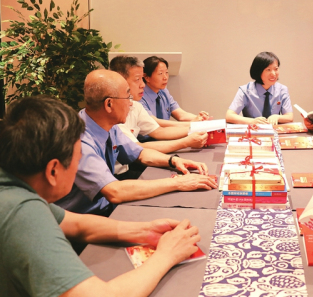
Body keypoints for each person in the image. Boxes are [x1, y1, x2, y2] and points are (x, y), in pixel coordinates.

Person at [0, 95, 203, 297]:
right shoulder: (21, 216)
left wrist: (146, 230)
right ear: (53, 170)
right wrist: (166, 255)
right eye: (77, 159)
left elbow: (78, 225)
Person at [54, 69, 217, 217]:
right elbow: (114, 192)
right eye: (127, 97)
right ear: (109, 104)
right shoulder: (80, 140)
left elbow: (140, 153)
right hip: (84, 218)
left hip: (106, 207)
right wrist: (177, 182)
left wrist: (173, 160)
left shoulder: (107, 124)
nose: (131, 103)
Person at [109, 55, 208, 158]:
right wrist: (186, 141)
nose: (142, 85)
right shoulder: (113, 112)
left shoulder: (137, 105)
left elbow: (159, 131)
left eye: (166, 72)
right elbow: (137, 148)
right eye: (137, 79)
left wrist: (198, 126)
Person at [225, 51, 293, 125]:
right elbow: (229, 116)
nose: (273, 74)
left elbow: (289, 116)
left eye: (276, 69)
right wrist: (252, 121)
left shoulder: (282, 90)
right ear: (258, 71)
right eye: (268, 70)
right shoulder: (245, 90)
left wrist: (277, 117)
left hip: (274, 130)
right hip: (253, 130)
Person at [140, 55, 210, 127]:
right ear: (146, 77)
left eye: (166, 72)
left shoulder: (164, 92)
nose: (165, 77)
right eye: (160, 73)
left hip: (166, 133)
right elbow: (153, 122)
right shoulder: (139, 95)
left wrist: (199, 118)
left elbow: (181, 115)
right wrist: (190, 124)